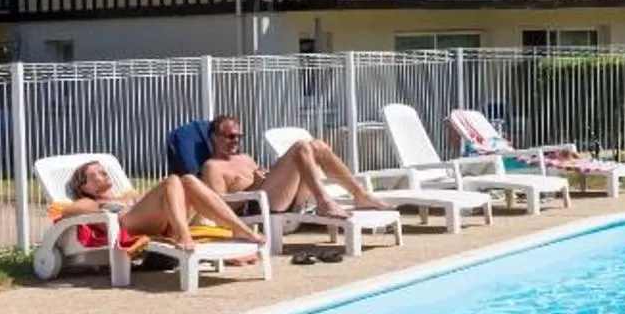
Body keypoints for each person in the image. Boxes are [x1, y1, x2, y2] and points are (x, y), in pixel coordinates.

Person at [186, 114, 391, 225]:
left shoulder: (245, 158)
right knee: (301, 147)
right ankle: (323, 201)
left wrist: (265, 176)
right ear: (214, 137)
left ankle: (360, 195)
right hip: (257, 208)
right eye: (230, 136)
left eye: (239, 136)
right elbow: (220, 209)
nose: (235, 141)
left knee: (317, 145)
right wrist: (255, 185)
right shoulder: (212, 167)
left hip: (281, 199)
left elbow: (269, 182)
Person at [58, 159, 255, 255]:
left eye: (104, 171)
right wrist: (97, 203)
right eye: (97, 175)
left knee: (187, 179)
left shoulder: (124, 196)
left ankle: (239, 227)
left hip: (159, 222)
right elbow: (66, 211)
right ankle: (183, 235)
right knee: (171, 181)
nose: (105, 175)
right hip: (128, 225)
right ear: (85, 186)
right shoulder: (92, 202)